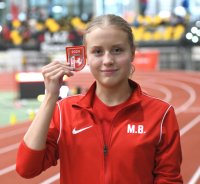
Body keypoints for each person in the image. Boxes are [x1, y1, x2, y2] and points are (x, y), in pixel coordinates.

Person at [16, 14, 183, 184]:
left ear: (132, 52)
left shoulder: (161, 114)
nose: (108, 60)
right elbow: (27, 168)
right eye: (97, 52)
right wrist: (50, 96)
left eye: (117, 50)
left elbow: (169, 179)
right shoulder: (63, 111)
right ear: (86, 57)